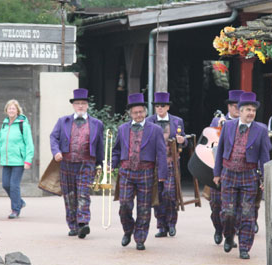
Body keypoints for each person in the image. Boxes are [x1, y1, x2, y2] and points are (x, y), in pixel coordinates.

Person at [213, 91, 271, 259]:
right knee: (227, 212)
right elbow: (220, 151)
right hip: (228, 174)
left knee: (247, 213)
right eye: (248, 110)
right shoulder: (228, 127)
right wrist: (217, 173)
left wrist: (264, 179)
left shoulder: (261, 130)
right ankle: (229, 236)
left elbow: (265, 156)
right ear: (240, 111)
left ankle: (244, 247)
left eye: (253, 110)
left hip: (249, 176)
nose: (251, 113)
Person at [112, 93, 167, 250]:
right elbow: (116, 150)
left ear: (145, 112)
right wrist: (111, 164)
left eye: (141, 112)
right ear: (130, 114)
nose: (138, 115)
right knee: (124, 206)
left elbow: (162, 153)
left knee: (144, 208)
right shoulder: (122, 129)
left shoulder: (155, 130)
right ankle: (128, 230)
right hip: (126, 172)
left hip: (146, 172)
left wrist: (162, 175)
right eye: (135, 113)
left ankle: (140, 238)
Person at [49, 88, 104, 238]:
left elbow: (100, 144)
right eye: (78, 103)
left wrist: (101, 164)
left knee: (83, 193)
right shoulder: (63, 121)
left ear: (87, 105)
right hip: (66, 163)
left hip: (87, 163)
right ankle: (73, 225)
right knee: (69, 196)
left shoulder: (97, 124)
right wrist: (56, 152)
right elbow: (53, 138)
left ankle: (83, 223)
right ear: (73, 105)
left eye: (83, 103)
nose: (80, 106)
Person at [146, 92, 187, 238]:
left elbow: (185, 140)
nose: (160, 109)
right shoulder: (149, 121)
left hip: (171, 163)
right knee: (157, 195)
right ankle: (161, 226)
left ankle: (171, 224)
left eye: (162, 106)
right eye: (157, 106)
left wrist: (183, 140)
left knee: (170, 194)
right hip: (154, 164)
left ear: (168, 107)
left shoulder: (177, 121)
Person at [208, 89, 243, 245]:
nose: (237, 109)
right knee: (216, 204)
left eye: (239, 106)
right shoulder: (217, 121)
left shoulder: (246, 124)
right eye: (234, 106)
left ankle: (231, 234)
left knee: (234, 206)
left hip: (237, 169)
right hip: (218, 167)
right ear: (229, 107)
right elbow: (210, 141)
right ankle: (217, 229)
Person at [0, 99, 34, 219]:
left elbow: (29, 143)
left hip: (19, 161)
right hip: (6, 160)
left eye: (13, 108)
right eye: (9, 108)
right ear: (6, 110)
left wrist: (28, 160)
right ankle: (19, 202)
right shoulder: (4, 124)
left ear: (17, 110)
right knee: (5, 185)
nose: (11, 110)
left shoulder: (22, 124)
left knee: (14, 185)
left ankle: (15, 209)